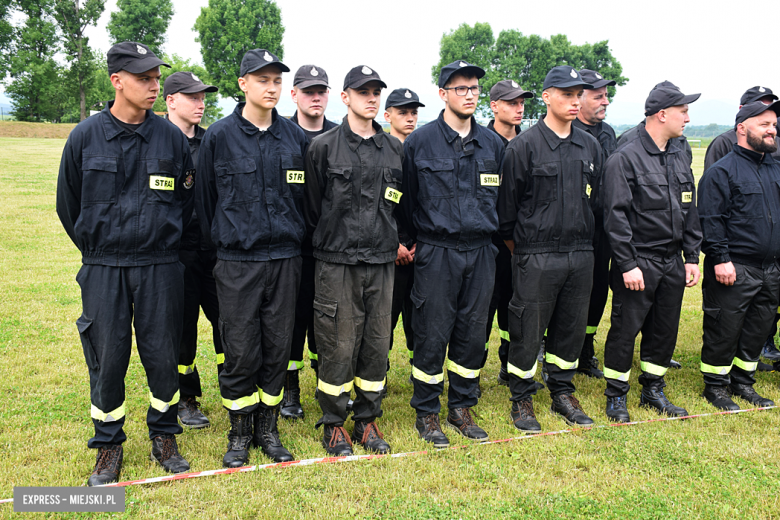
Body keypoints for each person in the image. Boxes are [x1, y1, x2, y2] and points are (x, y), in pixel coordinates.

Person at [56, 41, 192, 486]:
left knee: (162, 353)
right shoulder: (84, 137)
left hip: (159, 265)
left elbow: (185, 202)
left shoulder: (171, 137)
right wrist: (99, 251)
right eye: (143, 78)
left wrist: (160, 241)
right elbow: (68, 204)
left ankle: (164, 436)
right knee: (107, 356)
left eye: (156, 78)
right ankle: (109, 445)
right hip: (104, 266)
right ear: (117, 81)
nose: (153, 86)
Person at [197, 49, 308, 467]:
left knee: (278, 347)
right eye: (262, 79)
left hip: (284, 259)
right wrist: (229, 245)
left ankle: (269, 428)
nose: (272, 87)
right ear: (243, 84)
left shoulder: (296, 139)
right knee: (241, 347)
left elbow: (305, 203)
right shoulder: (219, 137)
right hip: (237, 261)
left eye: (277, 80)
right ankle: (240, 432)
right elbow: (206, 203)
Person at [400, 60, 505, 447]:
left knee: (472, 333)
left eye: (474, 88)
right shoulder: (419, 143)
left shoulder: (493, 144)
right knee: (431, 333)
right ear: (443, 94)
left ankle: (461, 406)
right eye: (460, 88)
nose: (469, 95)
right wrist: (415, 240)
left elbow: (503, 202)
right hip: (437, 252)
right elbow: (406, 201)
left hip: (481, 253)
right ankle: (427, 412)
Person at [304, 65, 403, 456]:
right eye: (363, 92)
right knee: (338, 345)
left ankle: (367, 420)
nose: (372, 98)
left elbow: (399, 206)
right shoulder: (323, 147)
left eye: (377, 91)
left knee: (377, 344)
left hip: (380, 262)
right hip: (337, 262)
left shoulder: (395, 149)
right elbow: (313, 208)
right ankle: (333, 424)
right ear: (344, 97)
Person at [497, 66, 602, 432]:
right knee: (528, 329)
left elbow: (597, 203)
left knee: (570, 327)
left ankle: (562, 391)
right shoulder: (522, 147)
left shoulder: (590, 146)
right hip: (535, 253)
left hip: (580, 252)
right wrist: (524, 253)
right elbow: (506, 215)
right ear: (546, 97)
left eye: (579, 95)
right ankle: (522, 398)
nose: (575, 102)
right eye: (567, 94)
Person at [601, 81, 702, 423]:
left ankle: (652, 390)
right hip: (639, 260)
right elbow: (614, 216)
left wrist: (691, 256)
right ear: (662, 114)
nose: (688, 117)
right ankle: (616, 396)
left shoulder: (679, 152)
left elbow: (690, 207)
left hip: (672, 261)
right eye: (683, 111)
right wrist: (627, 264)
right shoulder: (625, 157)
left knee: (664, 329)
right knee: (625, 329)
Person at [697, 101, 780, 410]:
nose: (772, 130)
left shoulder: (777, 169)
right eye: (764, 124)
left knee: (757, 329)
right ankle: (716, 387)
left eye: (774, 124)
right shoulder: (722, 172)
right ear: (742, 128)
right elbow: (710, 219)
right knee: (724, 329)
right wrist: (720, 258)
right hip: (735, 267)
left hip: (771, 269)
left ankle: (744, 383)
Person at [162, 71, 221, 429]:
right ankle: (187, 398)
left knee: (228, 326)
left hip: (214, 253)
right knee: (181, 331)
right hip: (177, 254)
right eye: (192, 97)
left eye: (203, 97)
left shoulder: (214, 141)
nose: (201, 103)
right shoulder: (157, 141)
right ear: (171, 100)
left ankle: (235, 392)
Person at [283, 64, 339, 420]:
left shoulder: (339, 136)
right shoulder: (282, 134)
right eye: (308, 91)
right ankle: (289, 390)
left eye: (321, 91)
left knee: (327, 323)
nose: (315, 97)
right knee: (291, 322)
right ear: (295, 95)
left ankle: (325, 384)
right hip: (293, 247)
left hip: (330, 249)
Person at [484, 79, 533, 386]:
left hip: (518, 245)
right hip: (488, 244)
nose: (519, 108)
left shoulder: (528, 144)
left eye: (521, 103)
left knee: (515, 310)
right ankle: (470, 373)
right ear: (494, 106)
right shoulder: (480, 141)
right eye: (512, 102)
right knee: (481, 311)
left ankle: (508, 365)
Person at [571, 69, 618, 380]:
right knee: (566, 293)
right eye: (598, 95)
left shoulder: (609, 133)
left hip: (602, 229)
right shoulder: (566, 130)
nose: (606, 101)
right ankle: (555, 349)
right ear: (580, 98)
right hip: (573, 229)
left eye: (606, 95)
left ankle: (586, 349)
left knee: (598, 291)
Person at [383, 88, 425, 372]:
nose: (409, 118)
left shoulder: (424, 151)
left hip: (421, 249)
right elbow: (374, 205)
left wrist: (421, 242)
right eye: (403, 112)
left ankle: (418, 368)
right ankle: (378, 372)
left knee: (420, 316)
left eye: (414, 113)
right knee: (384, 316)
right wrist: (393, 243)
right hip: (389, 251)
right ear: (388, 116)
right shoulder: (379, 151)